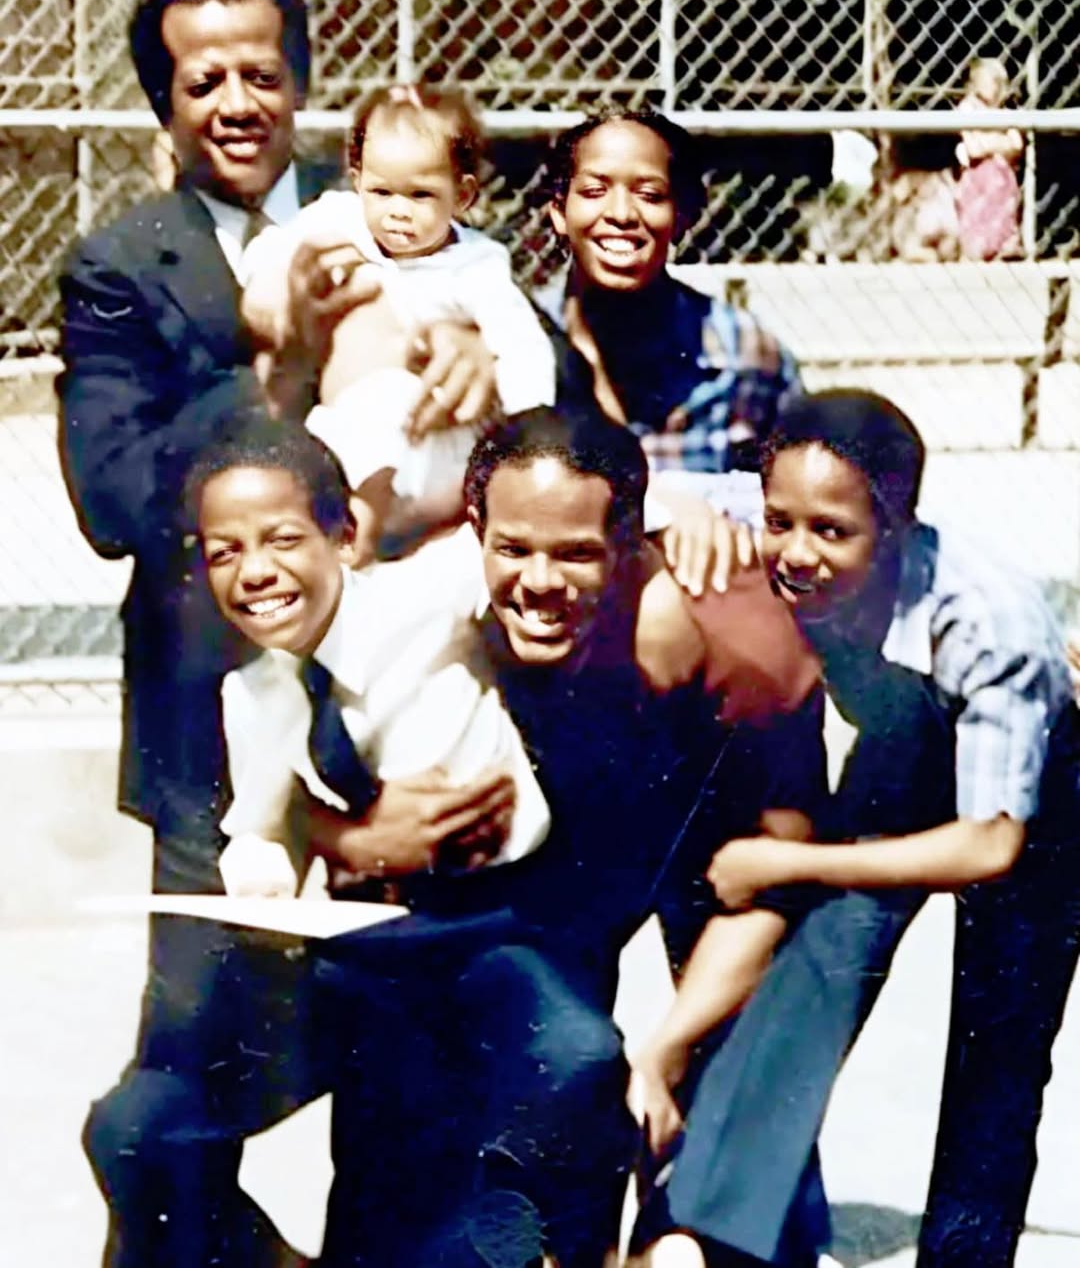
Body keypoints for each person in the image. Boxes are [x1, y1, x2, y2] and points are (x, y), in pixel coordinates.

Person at [57, 0, 504, 1264]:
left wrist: (477, 350)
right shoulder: (119, 264)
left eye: (261, 71)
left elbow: (507, 407)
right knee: (176, 1101)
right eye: (205, 80)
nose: (239, 102)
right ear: (164, 100)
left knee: (397, 1069)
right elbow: (116, 496)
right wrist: (264, 364)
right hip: (216, 745)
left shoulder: (394, 219)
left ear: (303, 81)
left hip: (401, 708)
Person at [299, 405, 825, 1267]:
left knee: (735, 1082)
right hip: (566, 824)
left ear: (629, 542)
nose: (540, 581)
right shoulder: (434, 596)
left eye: (578, 553)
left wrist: (668, 1047)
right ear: (476, 532)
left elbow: (771, 891)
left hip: (711, 819)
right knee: (523, 1067)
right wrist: (348, 834)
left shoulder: (747, 655)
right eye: (513, 549)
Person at [632, 389, 1077, 1268]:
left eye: (832, 532)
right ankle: (717, 1229)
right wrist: (675, 509)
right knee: (821, 961)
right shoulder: (773, 514)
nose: (796, 553)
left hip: (1045, 794)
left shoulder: (989, 624)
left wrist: (792, 858)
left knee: (999, 1045)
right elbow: (634, 483)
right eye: (779, 521)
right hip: (907, 737)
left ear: (902, 526)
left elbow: (990, 844)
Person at [186, 416, 549, 898]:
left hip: (514, 896)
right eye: (224, 553)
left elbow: (543, 517)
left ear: (346, 537)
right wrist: (263, 879)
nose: (254, 572)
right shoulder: (253, 694)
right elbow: (262, 825)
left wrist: (673, 514)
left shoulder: (424, 594)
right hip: (386, 912)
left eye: (283, 540)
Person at [244, 83, 557, 563]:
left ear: (463, 196)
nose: (397, 212)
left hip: (436, 444)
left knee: (387, 400)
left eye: (420, 195)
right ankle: (342, 530)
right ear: (357, 180)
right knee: (339, 423)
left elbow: (522, 346)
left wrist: (527, 431)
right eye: (381, 192)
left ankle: (361, 538)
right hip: (358, 435)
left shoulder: (474, 264)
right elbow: (276, 248)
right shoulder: (340, 220)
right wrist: (269, 282)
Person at [534, 106, 798, 500]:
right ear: (558, 211)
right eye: (593, 191)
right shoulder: (515, 338)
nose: (621, 214)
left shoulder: (744, 355)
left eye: (650, 195)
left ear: (683, 215)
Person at [955, 58, 1024, 261]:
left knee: (1003, 181)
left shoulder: (1003, 110)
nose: (989, 87)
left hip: (1003, 172)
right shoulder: (968, 107)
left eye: (993, 81)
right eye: (984, 81)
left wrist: (989, 142)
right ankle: (979, 250)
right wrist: (999, 142)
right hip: (978, 172)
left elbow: (1017, 145)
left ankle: (1003, 247)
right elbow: (974, 148)